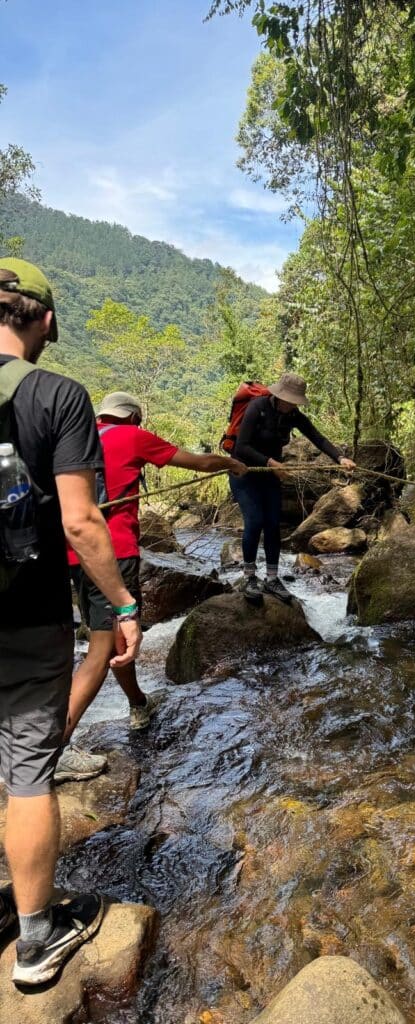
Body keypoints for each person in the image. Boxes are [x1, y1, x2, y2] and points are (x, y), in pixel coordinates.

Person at [0, 258, 142, 986]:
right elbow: (83, 523)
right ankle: (34, 939)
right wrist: (121, 605)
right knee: (27, 774)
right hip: (24, 611)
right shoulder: (57, 396)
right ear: (45, 319)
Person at [58, 392, 247, 782]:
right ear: (133, 418)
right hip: (114, 554)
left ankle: (138, 704)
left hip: (73, 554)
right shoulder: (132, 437)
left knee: (115, 642)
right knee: (101, 649)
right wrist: (230, 463)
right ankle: (55, 748)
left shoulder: (72, 437)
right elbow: (197, 462)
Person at [232, 371, 355, 602]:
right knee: (255, 521)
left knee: (272, 524)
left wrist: (340, 458)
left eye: (295, 401)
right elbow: (241, 447)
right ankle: (249, 577)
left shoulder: (293, 415)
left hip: (270, 475)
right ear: (279, 395)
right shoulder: (257, 408)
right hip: (244, 473)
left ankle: (271, 578)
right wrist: (270, 462)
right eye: (289, 399)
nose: (292, 404)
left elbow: (317, 438)